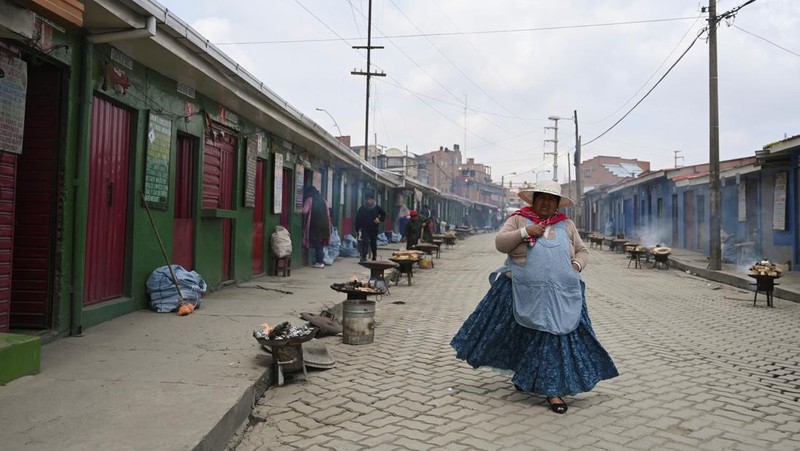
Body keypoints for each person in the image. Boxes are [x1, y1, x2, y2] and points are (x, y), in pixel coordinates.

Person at [450, 179, 618, 414]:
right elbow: (500, 243)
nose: (547, 203)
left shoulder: (566, 224)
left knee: (552, 336)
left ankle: (553, 391)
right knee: (524, 336)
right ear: (534, 199)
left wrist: (576, 266)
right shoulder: (518, 218)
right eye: (543, 198)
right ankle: (525, 376)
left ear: (558, 203)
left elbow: (582, 250)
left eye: (552, 199)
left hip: (559, 295)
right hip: (520, 291)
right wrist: (525, 231)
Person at [301, 186, 332, 268]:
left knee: (318, 244)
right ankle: (319, 261)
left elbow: (305, 211)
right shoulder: (324, 200)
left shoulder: (309, 200)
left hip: (315, 226)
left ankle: (320, 262)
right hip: (325, 226)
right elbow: (328, 213)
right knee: (320, 244)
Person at [355, 192, 387, 262]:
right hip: (365, 228)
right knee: (365, 242)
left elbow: (384, 215)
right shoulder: (362, 208)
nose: (368, 201)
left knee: (373, 242)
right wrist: (357, 229)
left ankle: (374, 256)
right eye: (367, 199)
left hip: (374, 228)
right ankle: (364, 256)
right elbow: (358, 219)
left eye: (370, 199)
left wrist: (379, 219)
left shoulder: (377, 207)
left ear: (373, 200)